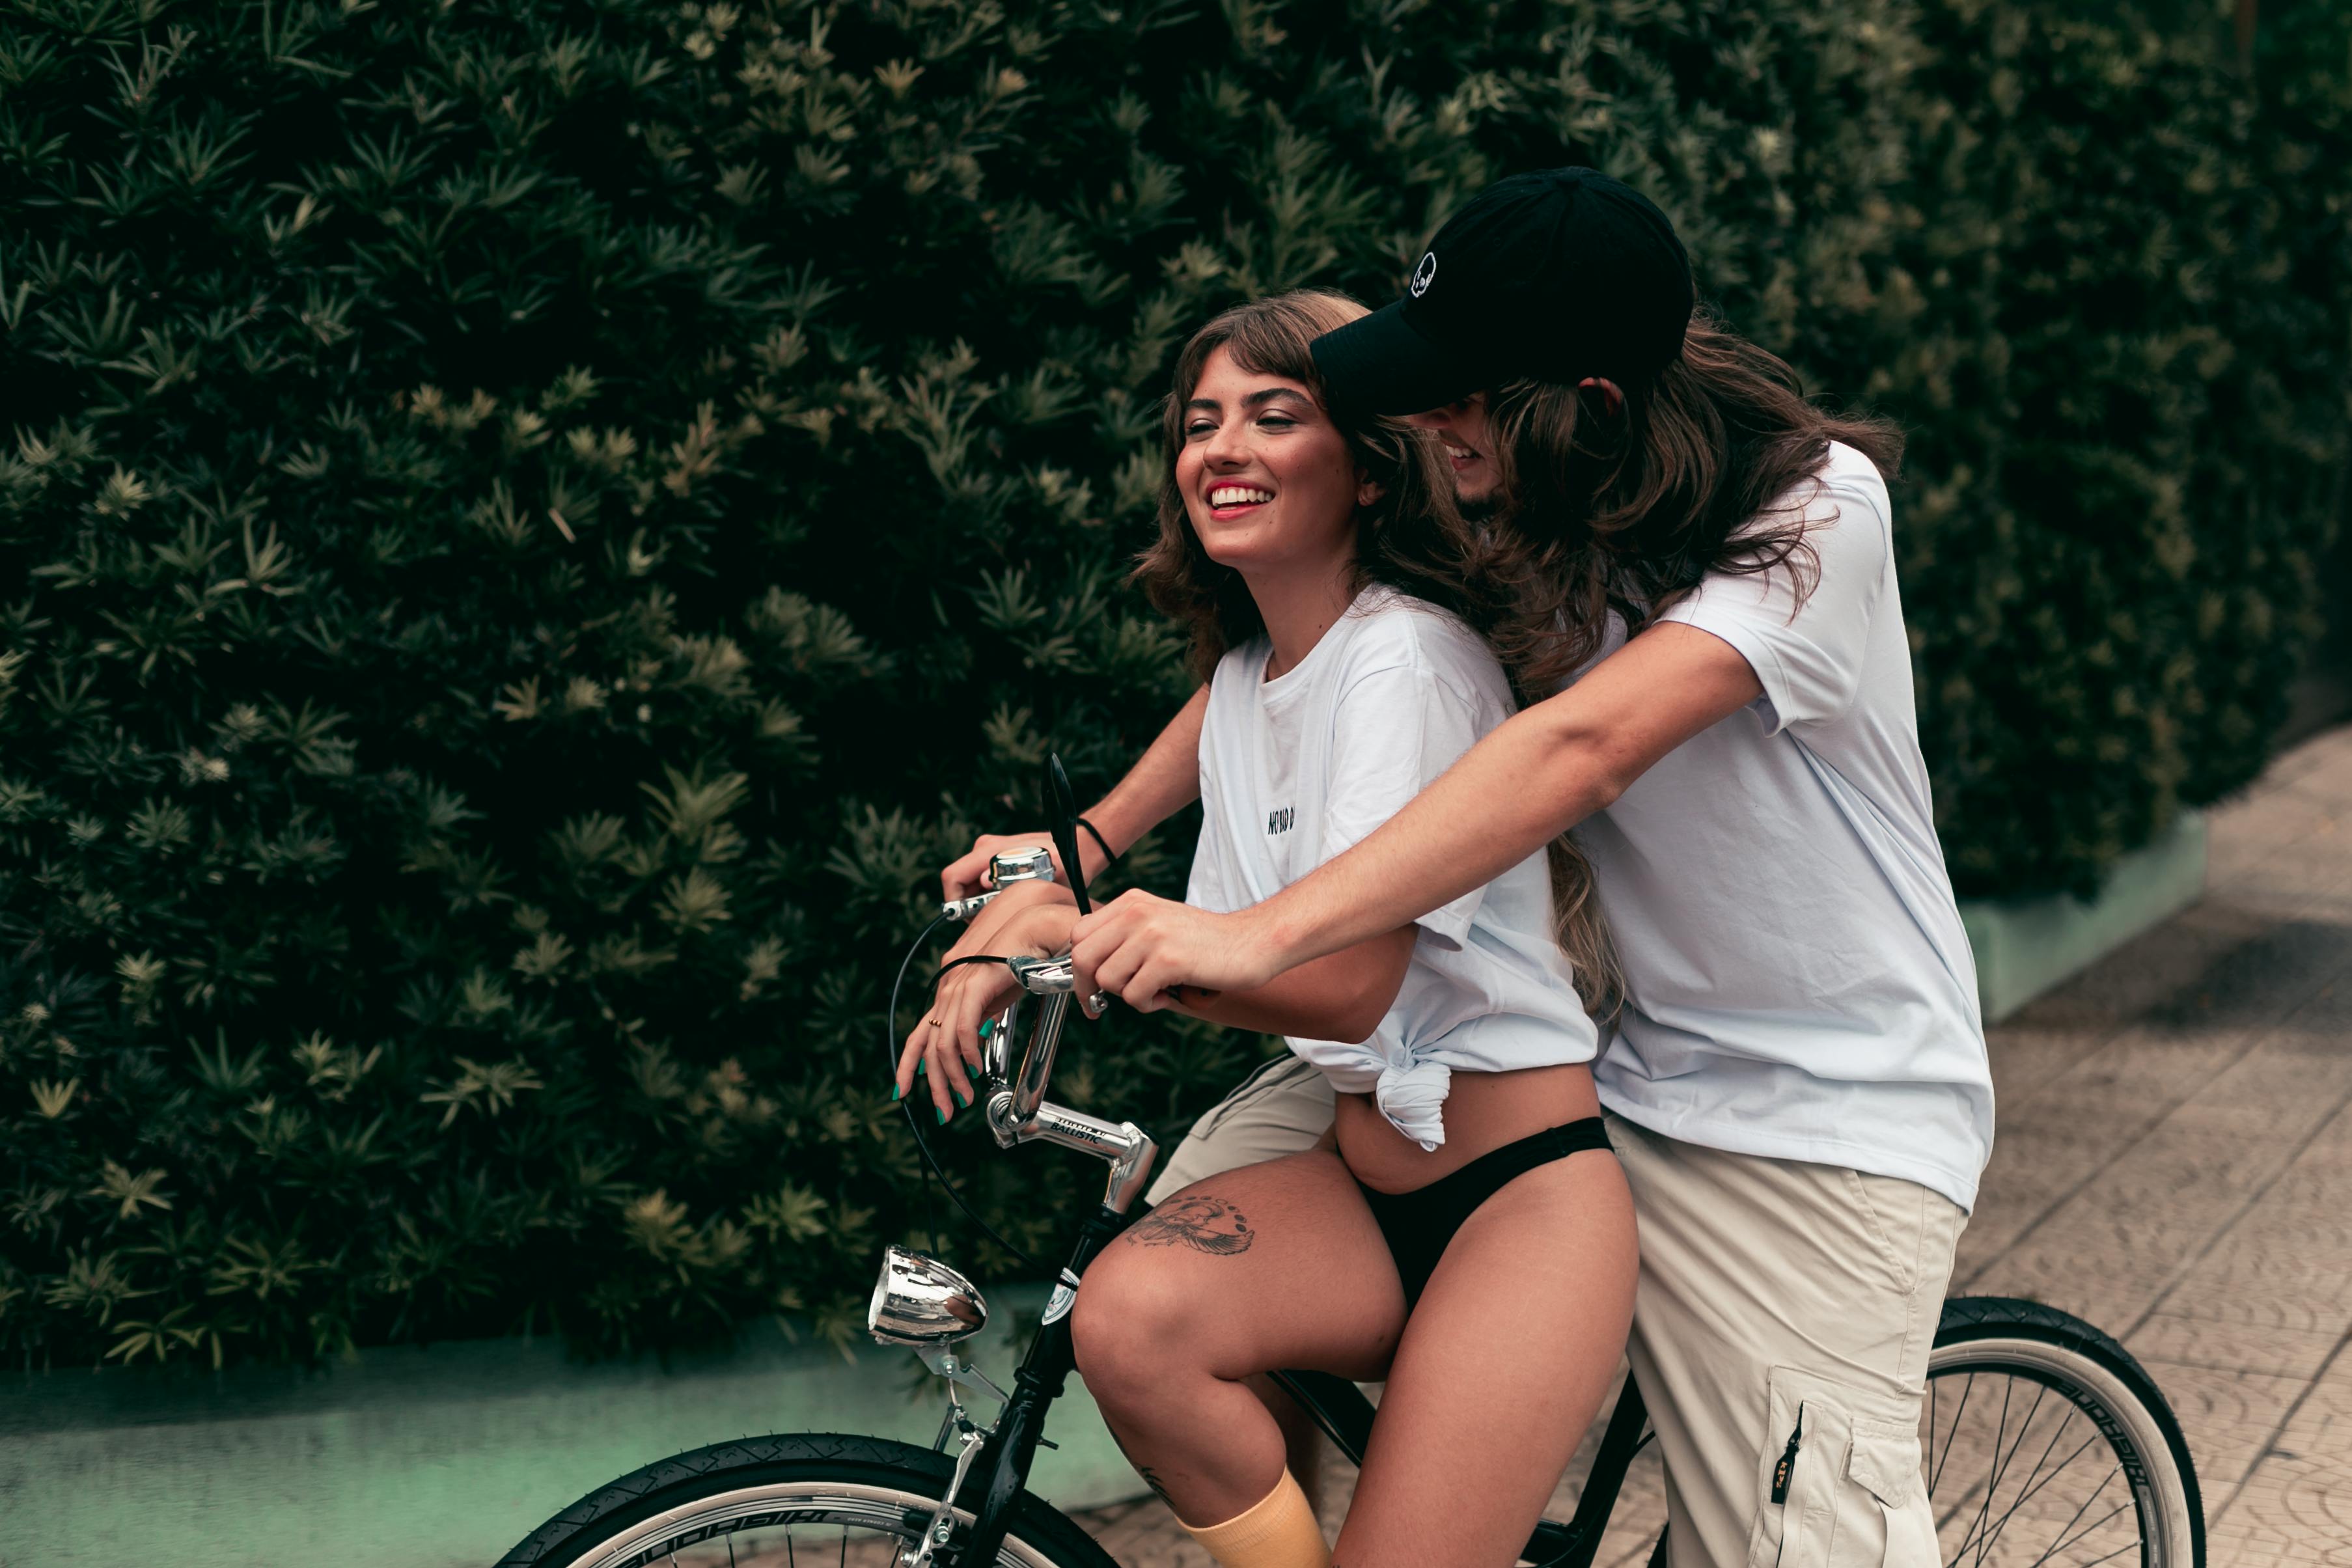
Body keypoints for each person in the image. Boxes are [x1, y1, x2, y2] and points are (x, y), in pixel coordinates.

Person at [946, 169, 1993, 1567]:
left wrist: (1254, 937)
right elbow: (1279, 667)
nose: (1428, 422)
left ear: (1593, 403)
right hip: (1592, 1059)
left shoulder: (1811, 510)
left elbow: (1585, 744)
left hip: (1809, 1109)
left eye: (1459, 395)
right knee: (1154, 1272)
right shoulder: (1521, 513)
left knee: (1799, 1546)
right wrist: (1077, 846)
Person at [899, 288, 1636, 1568]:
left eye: (1272, 414)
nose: (1219, 448)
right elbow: (1124, 854)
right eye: (1199, 423)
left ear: (1361, 466)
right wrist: (1032, 914)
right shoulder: (1249, 677)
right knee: (1128, 1319)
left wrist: (1074, 944)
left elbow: (1353, 982)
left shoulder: (1403, 661)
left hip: (1515, 1201)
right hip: (1359, 1178)